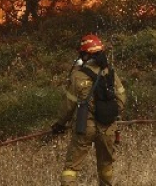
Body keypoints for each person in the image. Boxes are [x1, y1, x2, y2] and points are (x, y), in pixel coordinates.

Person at [51, 34, 127, 186]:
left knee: (71, 169)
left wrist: (60, 124)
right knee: (106, 166)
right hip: (108, 127)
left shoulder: (78, 75)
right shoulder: (110, 73)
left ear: (85, 54)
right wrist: (110, 114)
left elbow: (69, 104)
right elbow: (121, 97)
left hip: (85, 127)